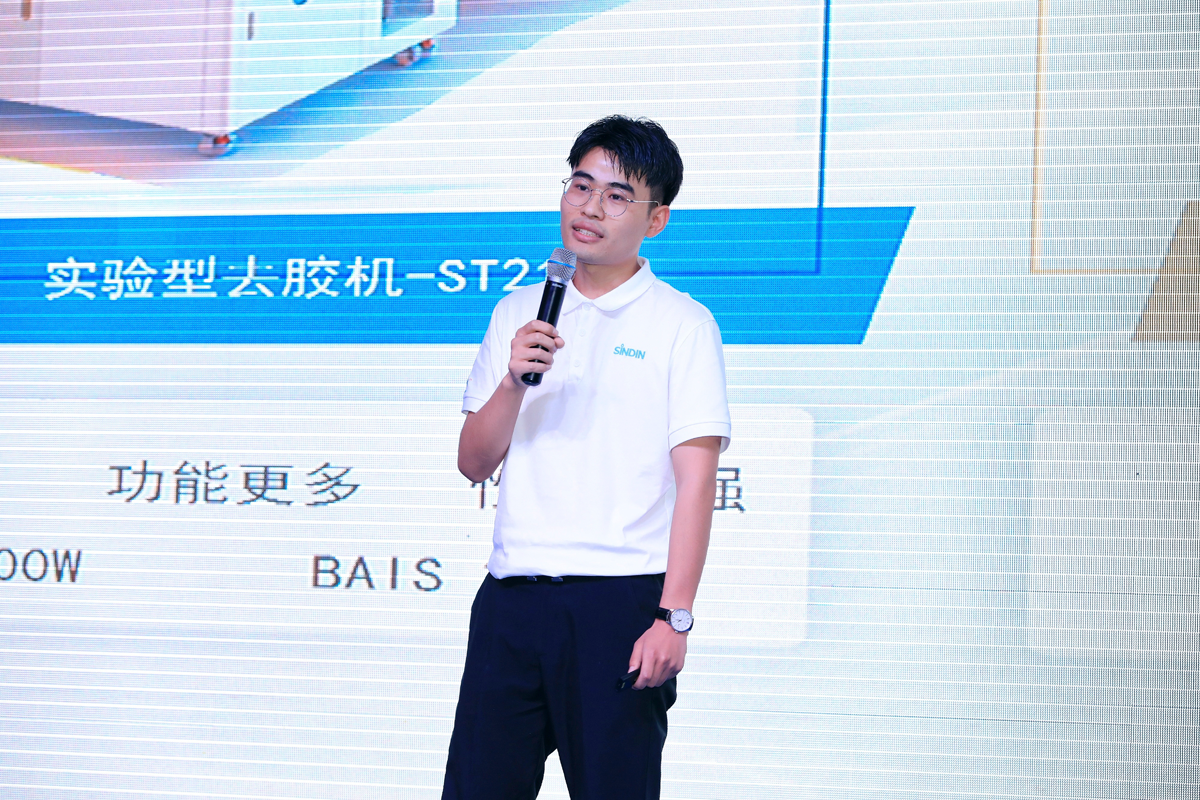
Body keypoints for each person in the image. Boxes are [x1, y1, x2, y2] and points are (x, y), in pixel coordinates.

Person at [442, 115, 731, 800]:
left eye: (616, 195)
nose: (591, 207)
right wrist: (513, 383)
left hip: (619, 604)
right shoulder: (519, 311)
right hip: (511, 599)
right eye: (581, 185)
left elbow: (696, 485)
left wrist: (674, 617)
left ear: (655, 219)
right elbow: (474, 463)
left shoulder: (681, 324)